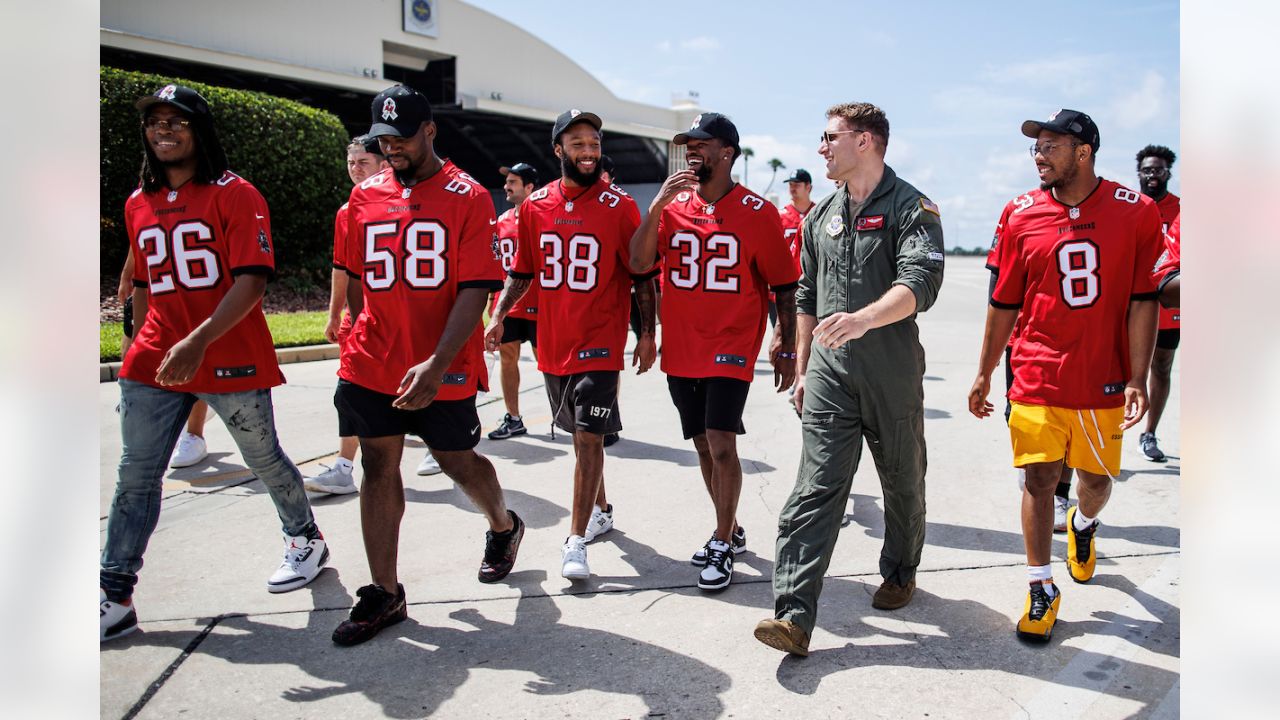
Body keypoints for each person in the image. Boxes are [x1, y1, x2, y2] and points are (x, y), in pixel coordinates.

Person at [101, 84, 330, 642]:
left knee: (264, 459)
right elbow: (147, 282)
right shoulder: (138, 201)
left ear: (199, 131)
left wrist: (198, 341)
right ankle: (113, 592)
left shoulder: (236, 193)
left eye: (175, 122)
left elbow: (253, 278)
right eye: (154, 122)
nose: (163, 130)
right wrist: (137, 339)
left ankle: (306, 538)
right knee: (136, 473)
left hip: (227, 352)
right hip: (157, 354)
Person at [330, 84, 523, 645]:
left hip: (444, 363)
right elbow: (360, 280)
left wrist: (437, 363)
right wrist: (364, 339)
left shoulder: (467, 195)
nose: (392, 149)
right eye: (383, 139)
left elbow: (476, 288)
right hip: (373, 360)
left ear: (430, 131)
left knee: (458, 462)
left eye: (403, 138)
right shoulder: (363, 199)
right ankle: (385, 592)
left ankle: (503, 525)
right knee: (377, 465)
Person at [754, 102, 945, 656]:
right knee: (815, 488)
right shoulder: (820, 217)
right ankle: (793, 614)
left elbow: (921, 282)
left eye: (830, 137)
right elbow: (808, 296)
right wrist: (805, 366)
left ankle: (900, 570)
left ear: (865, 141)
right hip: (832, 378)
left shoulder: (914, 207)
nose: (821, 147)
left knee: (902, 482)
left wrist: (863, 319)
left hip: (891, 374)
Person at [967, 109, 1162, 642]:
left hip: (1102, 374)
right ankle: (1040, 585)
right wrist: (985, 372)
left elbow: (1143, 299)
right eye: (1036, 146)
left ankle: (1082, 524)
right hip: (1035, 369)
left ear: (1084, 151)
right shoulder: (1020, 211)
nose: (1038, 154)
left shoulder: (1136, 212)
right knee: (1037, 478)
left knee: (1095, 483)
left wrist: (1137, 378)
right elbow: (1003, 300)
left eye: (1051, 145)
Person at [485, 109, 658, 581]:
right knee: (585, 439)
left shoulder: (621, 205)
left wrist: (646, 333)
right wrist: (499, 315)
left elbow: (641, 275)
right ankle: (600, 508)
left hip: (601, 340)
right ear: (558, 150)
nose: (588, 151)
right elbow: (522, 272)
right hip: (553, 341)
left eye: (594, 142)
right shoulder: (534, 207)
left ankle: (576, 539)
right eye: (578, 143)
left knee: (587, 436)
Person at [629, 112, 799, 591]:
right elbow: (639, 263)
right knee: (703, 443)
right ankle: (733, 526)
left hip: (731, 345)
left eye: (701, 145)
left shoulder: (759, 212)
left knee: (722, 442)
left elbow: (784, 286)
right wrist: (658, 206)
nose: (691, 153)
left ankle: (722, 540)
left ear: (727, 152)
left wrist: (784, 342)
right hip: (682, 346)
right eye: (688, 146)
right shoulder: (673, 207)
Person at [305, 135, 392, 494]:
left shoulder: (407, 203)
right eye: (351, 163)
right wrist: (335, 314)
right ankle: (344, 466)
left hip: (401, 317)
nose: (355, 170)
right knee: (351, 390)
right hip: (362, 317)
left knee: (409, 391)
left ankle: (440, 447)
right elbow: (342, 268)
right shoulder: (347, 210)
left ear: (384, 165)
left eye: (363, 163)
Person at [119, 250, 214, 469]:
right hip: (153, 284)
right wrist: (127, 275)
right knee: (133, 353)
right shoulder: (141, 214)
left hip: (191, 281)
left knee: (193, 357)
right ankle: (184, 414)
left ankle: (194, 434)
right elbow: (138, 235)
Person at [486, 162, 541, 440]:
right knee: (508, 358)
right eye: (507, 182)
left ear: (529, 187)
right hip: (509, 304)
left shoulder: (544, 217)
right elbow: (496, 263)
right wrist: (492, 300)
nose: (507, 187)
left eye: (513, 182)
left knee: (549, 362)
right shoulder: (501, 221)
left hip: (541, 304)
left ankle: (566, 413)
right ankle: (514, 417)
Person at [1134, 145, 1180, 462]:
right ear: (1139, 173)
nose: (1153, 175)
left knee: (1161, 367)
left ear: (1168, 173)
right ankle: (1102, 431)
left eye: (1159, 170)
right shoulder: (1129, 206)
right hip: (1132, 302)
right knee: (1117, 368)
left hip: (1168, 302)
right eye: (1148, 170)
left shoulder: (1181, 210)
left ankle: (1149, 433)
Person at [775, 168, 815, 326]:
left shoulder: (819, 213)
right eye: (790, 184)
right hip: (785, 285)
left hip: (810, 284)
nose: (792, 188)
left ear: (808, 187)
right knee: (782, 338)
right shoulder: (780, 215)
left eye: (797, 184)